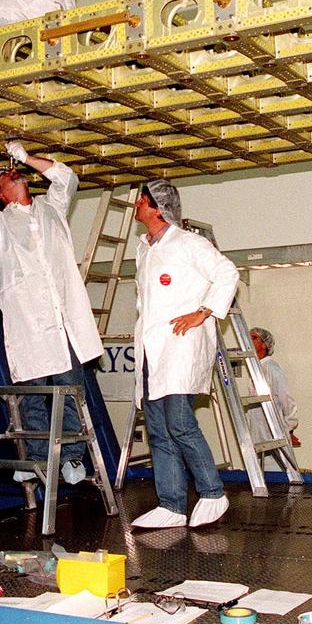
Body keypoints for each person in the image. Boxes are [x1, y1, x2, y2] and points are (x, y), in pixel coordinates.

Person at [0, 141, 103, 486]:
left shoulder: (52, 209)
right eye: (4, 178)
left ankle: (72, 458)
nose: (13, 173)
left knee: (70, 392)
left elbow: (66, 178)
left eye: (15, 171)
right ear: (3, 195)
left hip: (65, 322)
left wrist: (26, 157)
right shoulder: (0, 225)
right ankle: (37, 459)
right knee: (34, 397)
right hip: (29, 326)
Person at [129, 179, 240, 530]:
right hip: (152, 349)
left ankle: (212, 493)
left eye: (142, 201)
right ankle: (172, 505)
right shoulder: (143, 248)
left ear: (157, 208)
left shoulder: (190, 243)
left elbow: (227, 273)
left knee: (179, 422)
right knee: (159, 429)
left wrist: (203, 312)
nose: (136, 206)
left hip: (181, 345)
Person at [247, 327, 301, 473]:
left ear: (265, 344)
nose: (248, 340)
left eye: (253, 338)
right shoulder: (256, 369)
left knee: (280, 475)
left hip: (274, 434)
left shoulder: (272, 368)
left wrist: (287, 428)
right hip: (259, 433)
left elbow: (287, 400)